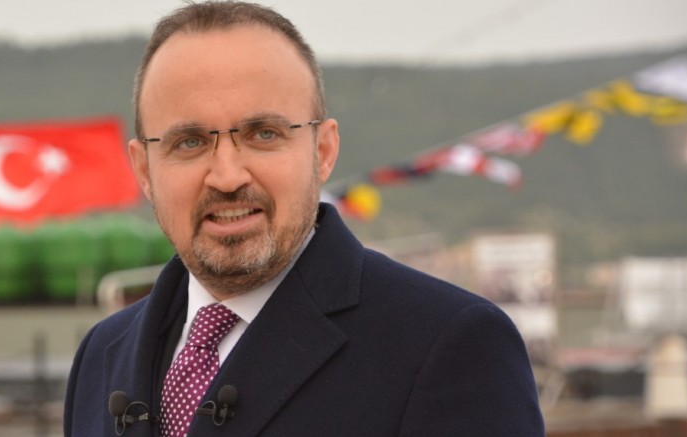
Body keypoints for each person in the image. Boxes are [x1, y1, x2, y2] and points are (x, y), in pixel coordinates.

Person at [63, 2, 545, 436]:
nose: (227, 176)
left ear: (323, 150)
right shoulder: (101, 354)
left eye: (264, 134)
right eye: (189, 142)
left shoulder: (451, 343)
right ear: (145, 170)